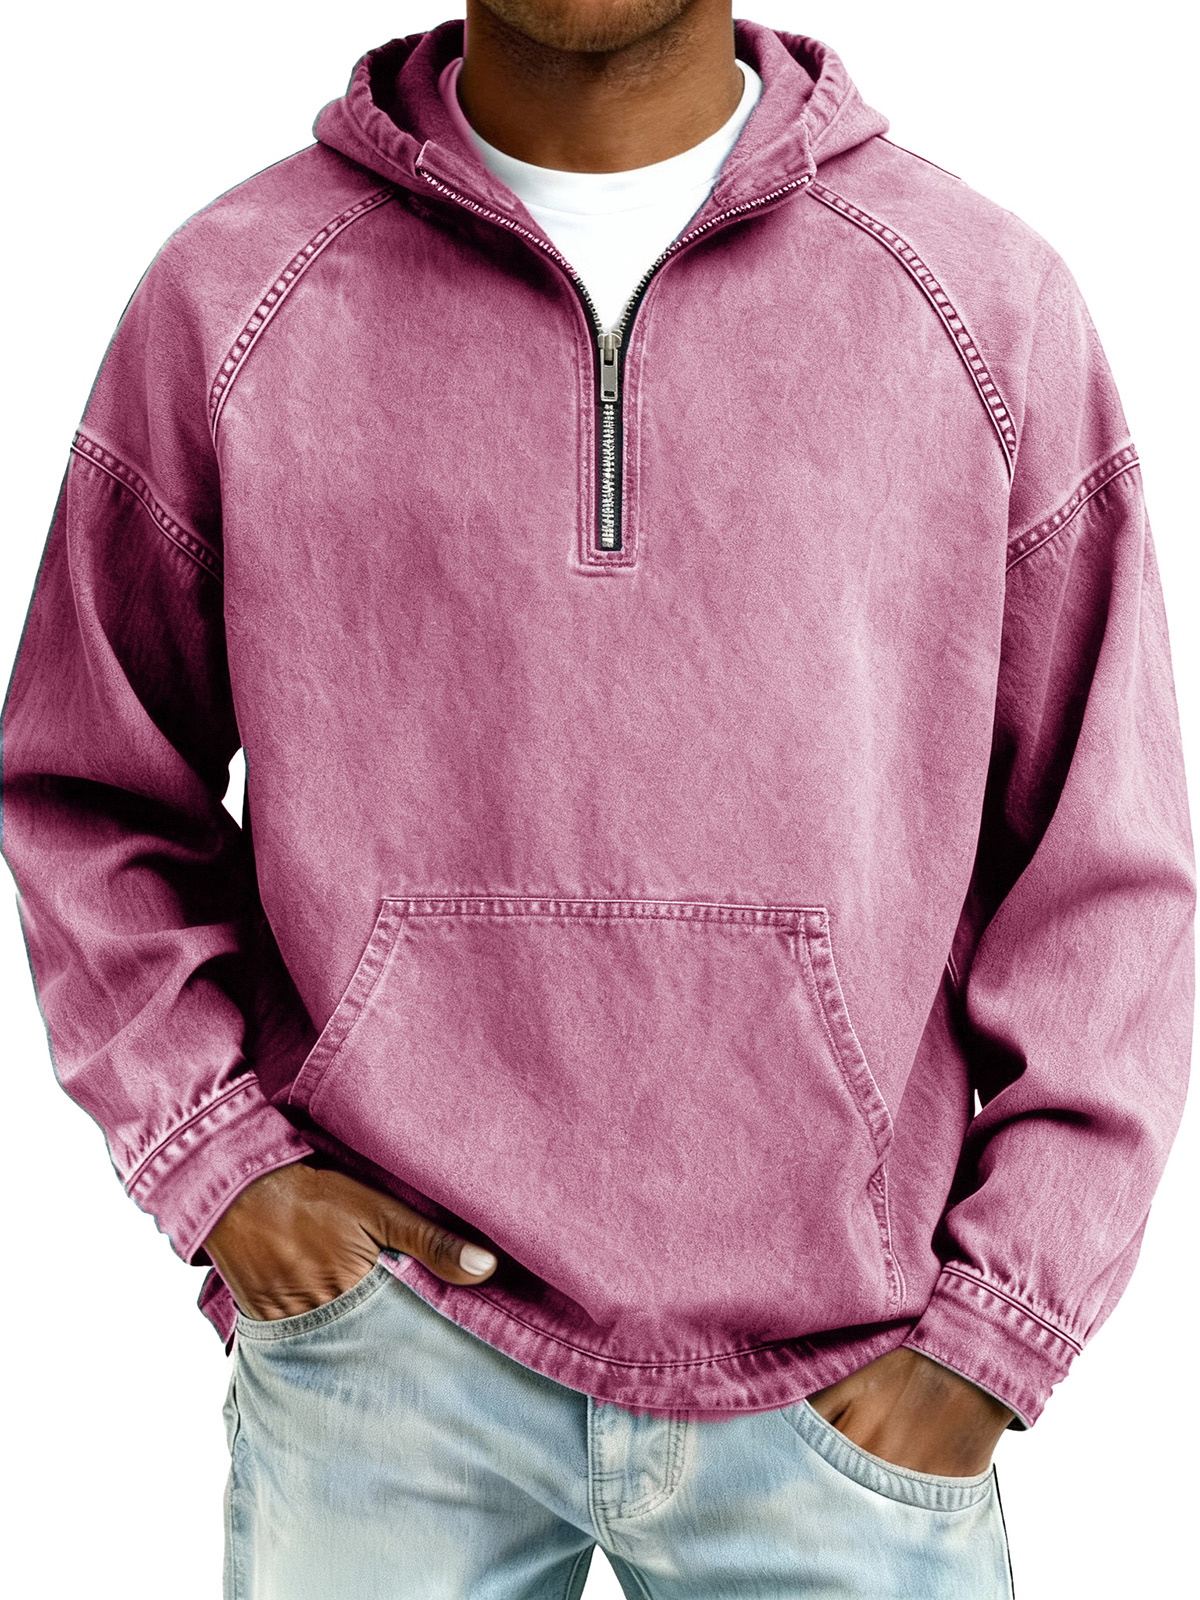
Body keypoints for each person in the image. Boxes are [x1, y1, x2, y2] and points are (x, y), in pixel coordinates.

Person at [1, 2, 1193, 1595]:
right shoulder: (236, 294)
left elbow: (1108, 866)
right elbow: (87, 782)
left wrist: (999, 1329)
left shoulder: (982, 303)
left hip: (851, 1377)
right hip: (389, 1364)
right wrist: (221, 1164)